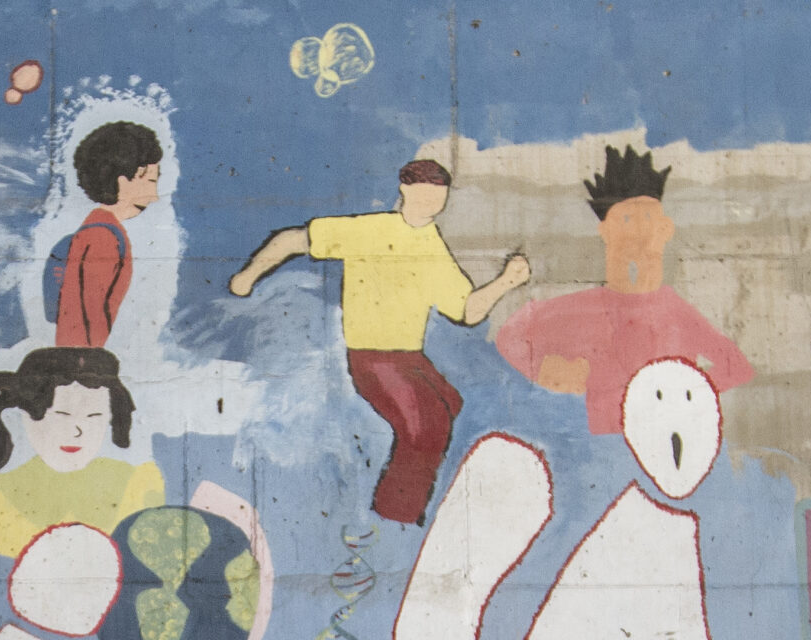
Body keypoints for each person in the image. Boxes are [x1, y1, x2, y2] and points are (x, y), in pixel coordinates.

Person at [228, 158, 529, 526]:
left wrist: (505, 282)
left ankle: (411, 497)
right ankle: (395, 516)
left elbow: (467, 311)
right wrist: (248, 276)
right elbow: (292, 239)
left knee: (449, 402)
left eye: (438, 199)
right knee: (426, 428)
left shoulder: (432, 248)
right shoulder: (369, 231)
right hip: (374, 359)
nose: (430, 206)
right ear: (404, 190)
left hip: (411, 358)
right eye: (424, 196)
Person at [492, 145, 752, 437]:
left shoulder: (676, 313)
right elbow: (511, 336)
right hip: (596, 448)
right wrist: (547, 370)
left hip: (661, 448)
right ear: (606, 232)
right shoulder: (580, 309)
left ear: (665, 230)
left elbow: (735, 366)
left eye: (647, 220)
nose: (638, 233)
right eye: (626, 220)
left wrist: (681, 395)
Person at [0, 347, 164, 559]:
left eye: (94, 416)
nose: (77, 431)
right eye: (62, 414)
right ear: (25, 414)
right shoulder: (0, 491)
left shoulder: (138, 482)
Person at [51, 121, 163, 348]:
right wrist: (91, 364)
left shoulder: (101, 229)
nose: (155, 196)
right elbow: (87, 316)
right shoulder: (102, 236)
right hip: (84, 359)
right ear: (122, 181)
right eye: (151, 181)